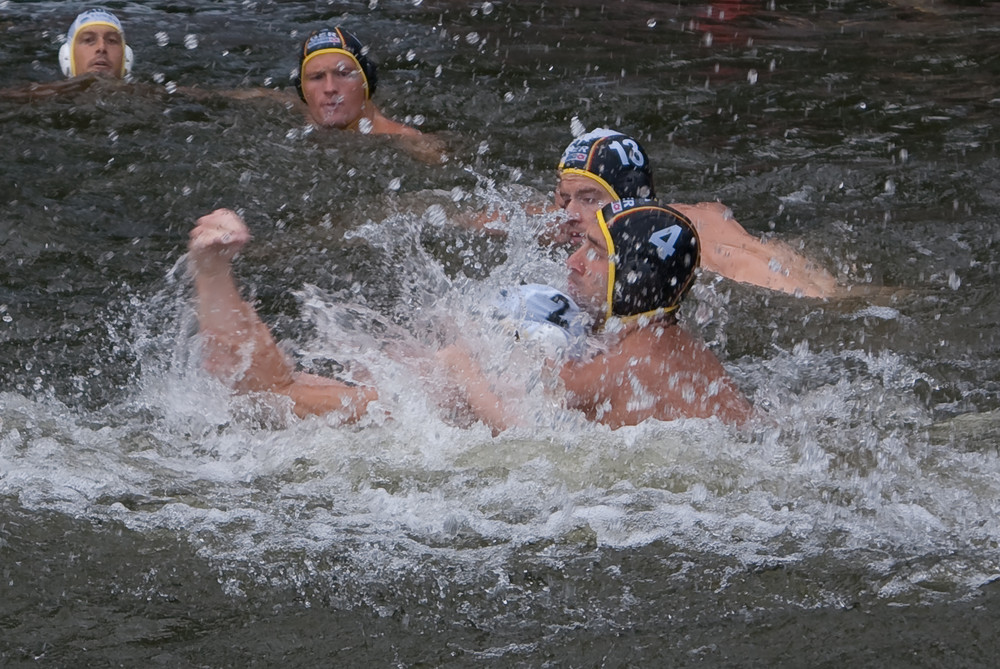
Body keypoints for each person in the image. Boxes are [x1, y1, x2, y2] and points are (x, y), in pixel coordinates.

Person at [186, 203, 750, 429]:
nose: (574, 261)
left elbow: (522, 436)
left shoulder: (630, 360)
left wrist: (462, 362)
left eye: (596, 254)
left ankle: (216, 282)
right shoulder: (681, 352)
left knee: (402, 396)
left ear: (635, 276)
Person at [551, 128, 842, 298]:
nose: (569, 213)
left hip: (809, 289)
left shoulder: (681, 253)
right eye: (565, 198)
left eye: (589, 199)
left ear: (630, 203)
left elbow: (814, 299)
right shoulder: (676, 214)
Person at [291, 27, 419, 137]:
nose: (330, 88)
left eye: (343, 74)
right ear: (302, 90)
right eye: (317, 77)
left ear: (367, 82)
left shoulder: (405, 140)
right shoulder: (307, 112)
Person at [0, 8, 134, 101]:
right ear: (67, 57)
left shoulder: (146, 95)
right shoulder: (36, 95)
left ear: (126, 58)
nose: (101, 47)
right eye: (88, 40)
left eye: (112, 41)